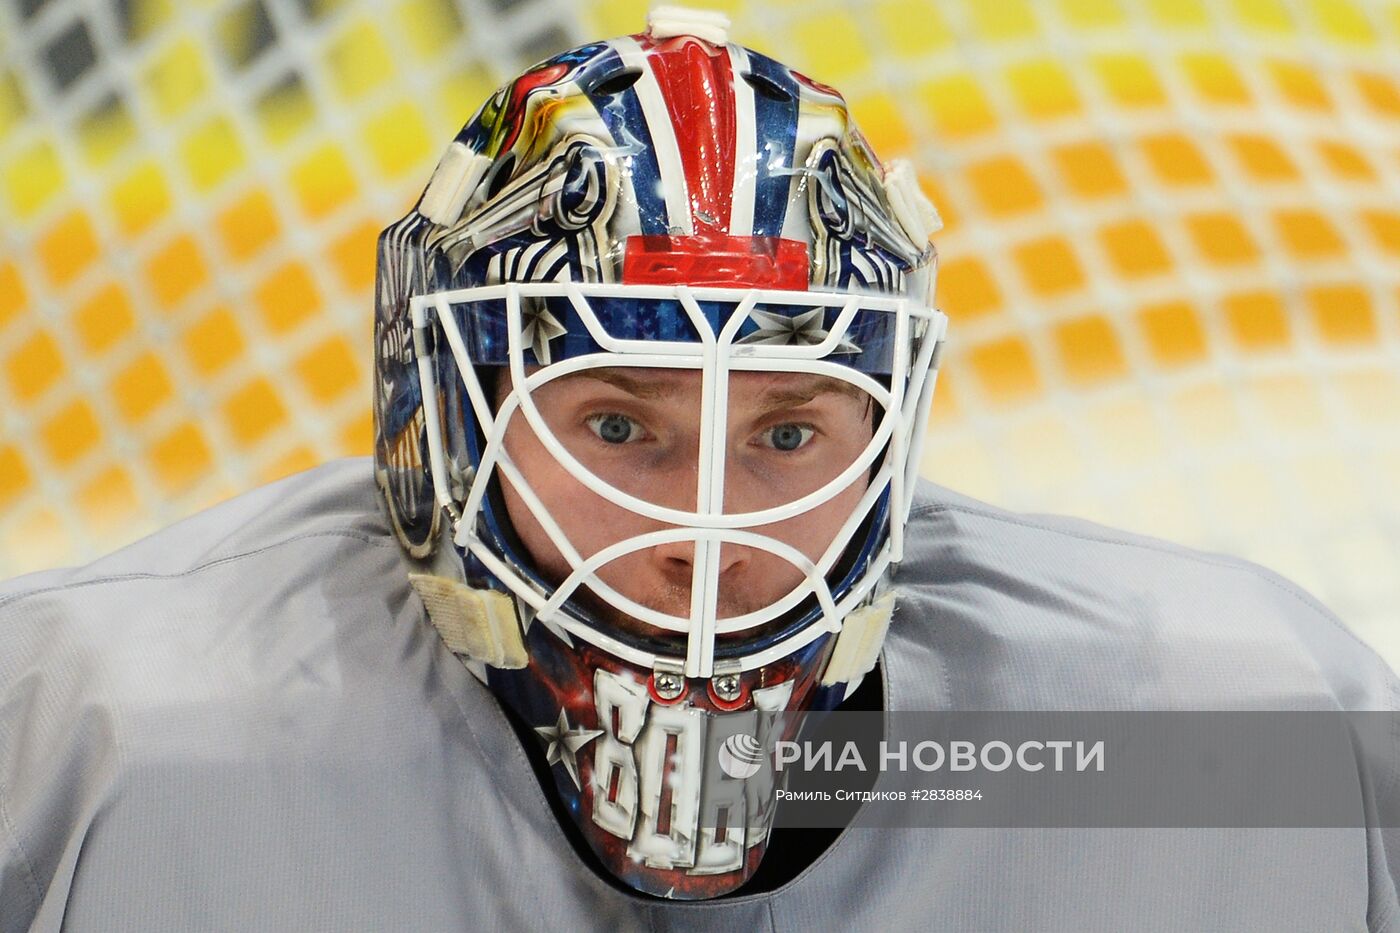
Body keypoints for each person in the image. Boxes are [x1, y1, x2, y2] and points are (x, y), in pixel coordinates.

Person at [1, 6, 1396, 930]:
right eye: (618, 426)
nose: (709, 534)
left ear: (887, 439)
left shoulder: (1248, 725)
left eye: (788, 433)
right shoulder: (95, 741)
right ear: (445, 427)